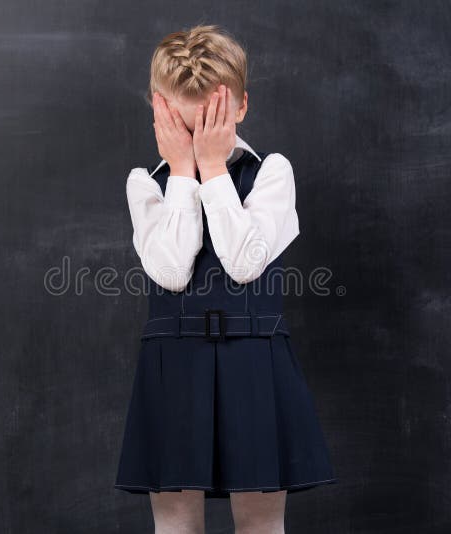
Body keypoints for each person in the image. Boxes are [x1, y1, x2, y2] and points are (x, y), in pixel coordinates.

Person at [114, 24, 337, 534]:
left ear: (239, 108)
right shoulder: (145, 185)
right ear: (160, 112)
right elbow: (170, 271)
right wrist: (183, 175)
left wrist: (213, 170)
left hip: (255, 360)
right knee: (176, 524)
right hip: (174, 364)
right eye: (187, 128)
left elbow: (244, 263)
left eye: (213, 123)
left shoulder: (273, 174)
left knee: (260, 523)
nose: (198, 140)